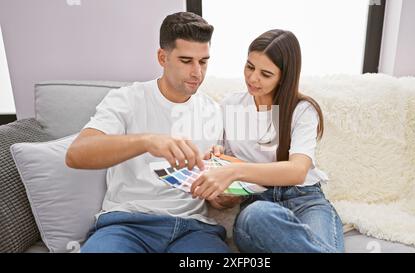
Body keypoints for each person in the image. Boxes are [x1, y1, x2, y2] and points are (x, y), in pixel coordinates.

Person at [65, 12, 230, 253]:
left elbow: (217, 196)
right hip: (127, 225)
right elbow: (76, 155)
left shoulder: (213, 111)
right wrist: (146, 141)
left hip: (193, 229)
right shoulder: (127, 99)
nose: (197, 72)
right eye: (186, 61)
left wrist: (223, 196)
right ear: (162, 57)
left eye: (203, 61)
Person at [191, 29, 344, 253]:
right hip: (258, 206)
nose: (253, 78)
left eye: (266, 73)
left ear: (284, 76)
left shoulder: (302, 110)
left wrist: (236, 171)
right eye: (250, 66)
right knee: (256, 217)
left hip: (304, 199)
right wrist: (221, 195)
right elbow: (219, 164)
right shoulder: (230, 106)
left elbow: (297, 171)